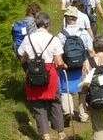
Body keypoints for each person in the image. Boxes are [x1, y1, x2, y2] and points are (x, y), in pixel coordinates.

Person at [17, 12, 66, 140]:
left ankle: (45, 135)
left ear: (36, 24)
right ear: (47, 24)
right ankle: (61, 133)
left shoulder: (28, 38)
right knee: (55, 102)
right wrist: (64, 66)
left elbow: (22, 57)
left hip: (33, 75)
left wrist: (29, 59)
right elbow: (58, 62)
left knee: (38, 105)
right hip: (50, 74)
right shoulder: (54, 39)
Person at [58, 7, 94, 123]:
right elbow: (91, 51)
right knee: (82, 91)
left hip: (67, 68)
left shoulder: (61, 35)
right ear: (76, 18)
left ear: (66, 18)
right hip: (82, 66)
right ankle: (83, 115)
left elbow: (58, 53)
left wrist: (62, 64)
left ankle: (68, 111)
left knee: (66, 90)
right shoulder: (83, 33)